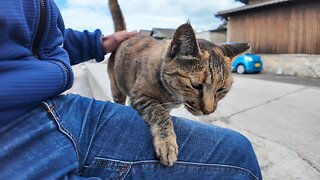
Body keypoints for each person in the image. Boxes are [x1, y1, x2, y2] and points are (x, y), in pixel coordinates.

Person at [0, 1, 262, 179]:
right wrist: (162, 122)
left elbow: (37, 36)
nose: (209, 107)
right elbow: (141, 97)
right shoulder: (157, 67)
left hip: (47, 104)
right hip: (12, 127)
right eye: (196, 87)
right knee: (120, 100)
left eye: (220, 92)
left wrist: (97, 43)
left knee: (239, 150)